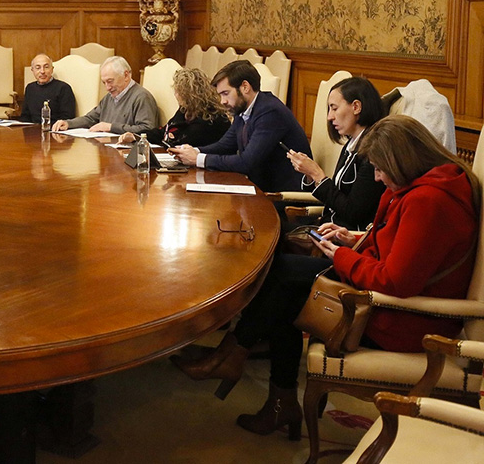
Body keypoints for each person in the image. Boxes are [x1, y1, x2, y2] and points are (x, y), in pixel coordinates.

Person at [172, 116, 480, 440]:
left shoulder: (428, 201)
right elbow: (401, 246)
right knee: (281, 281)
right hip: (390, 301)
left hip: (404, 321)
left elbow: (396, 281)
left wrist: (341, 256)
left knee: (282, 284)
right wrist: (354, 238)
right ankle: (252, 374)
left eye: (379, 168)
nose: (377, 176)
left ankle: (242, 362)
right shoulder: (430, 186)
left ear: (401, 161)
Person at [168, 60, 311, 192]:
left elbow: (246, 162)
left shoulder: (270, 112)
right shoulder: (242, 109)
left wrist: (198, 159)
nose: (222, 101)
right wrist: (192, 151)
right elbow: (225, 145)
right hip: (258, 188)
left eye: (226, 93)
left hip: (280, 195)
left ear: (245, 87)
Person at [285, 76, 386, 230]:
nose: (329, 117)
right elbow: (336, 195)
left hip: (345, 237)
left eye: (334, 108)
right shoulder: (351, 143)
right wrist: (310, 174)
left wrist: (318, 175)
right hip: (328, 228)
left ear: (356, 107)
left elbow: (353, 213)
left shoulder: (374, 152)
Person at [117, 68, 230, 148]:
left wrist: (170, 137)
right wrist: (136, 136)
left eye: (177, 91)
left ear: (188, 94)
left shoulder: (210, 117)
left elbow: (177, 143)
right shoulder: (185, 110)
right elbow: (164, 132)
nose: (175, 95)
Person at [51, 56, 158, 137]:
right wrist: (68, 123)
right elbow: (91, 119)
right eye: (104, 83)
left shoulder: (142, 97)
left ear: (126, 75)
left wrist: (110, 127)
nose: (107, 88)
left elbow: (147, 129)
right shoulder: (109, 97)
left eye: (110, 81)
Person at [18, 54, 76, 124]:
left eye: (46, 67)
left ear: (52, 69)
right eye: (38, 68)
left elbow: (67, 118)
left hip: (54, 129)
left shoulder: (63, 88)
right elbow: (25, 117)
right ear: (32, 70)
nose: (42, 71)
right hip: (32, 128)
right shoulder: (30, 88)